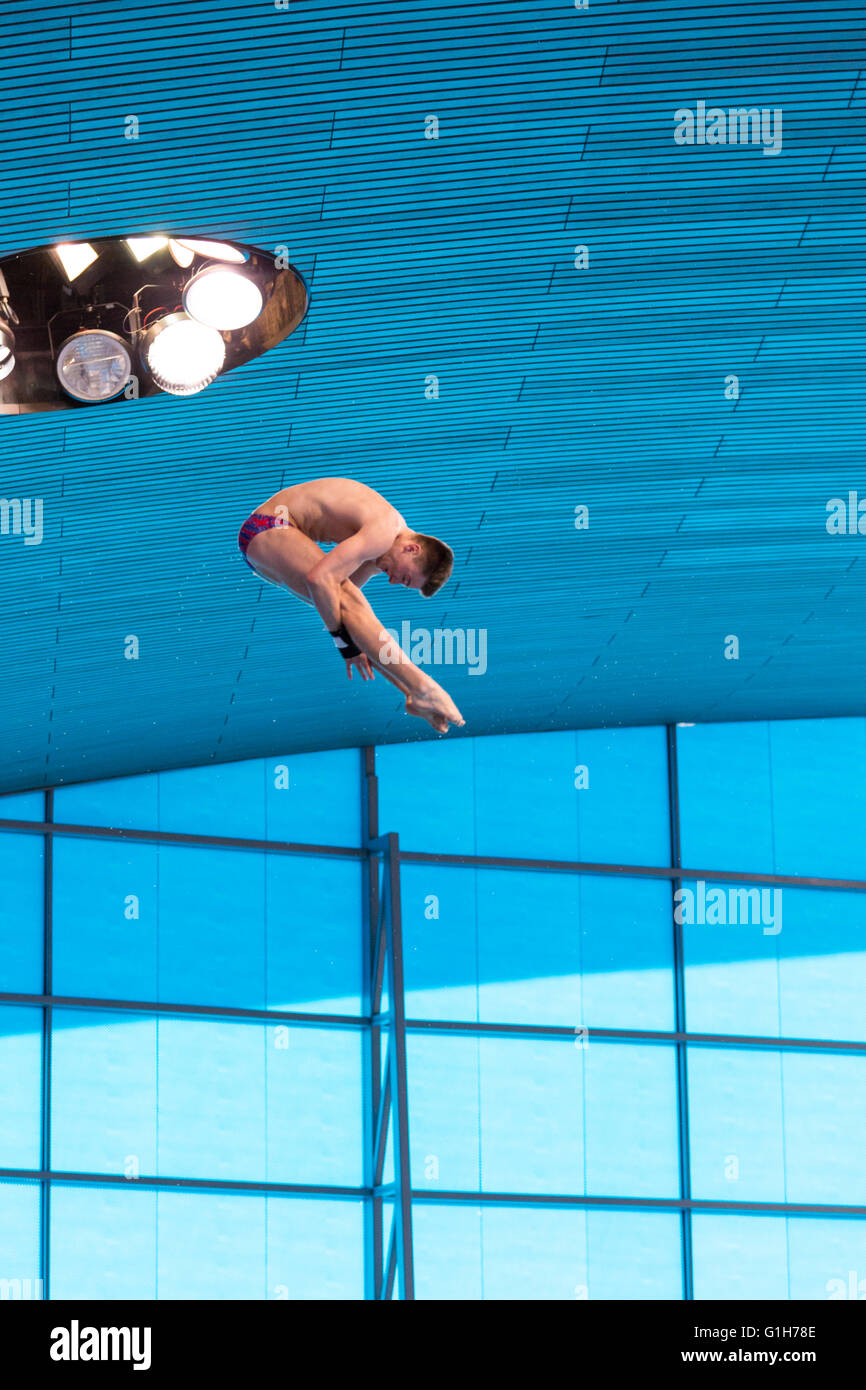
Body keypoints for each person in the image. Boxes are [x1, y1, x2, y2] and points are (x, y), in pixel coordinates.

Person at [237, 477, 465, 734]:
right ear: (412, 549)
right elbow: (320, 581)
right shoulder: (384, 530)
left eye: (401, 583)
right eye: (404, 578)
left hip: (260, 541)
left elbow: (343, 611)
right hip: (270, 525)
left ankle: (411, 692)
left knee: (351, 616)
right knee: (346, 604)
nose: (392, 581)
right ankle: (424, 687)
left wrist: (353, 640)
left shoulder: (378, 555)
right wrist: (344, 644)